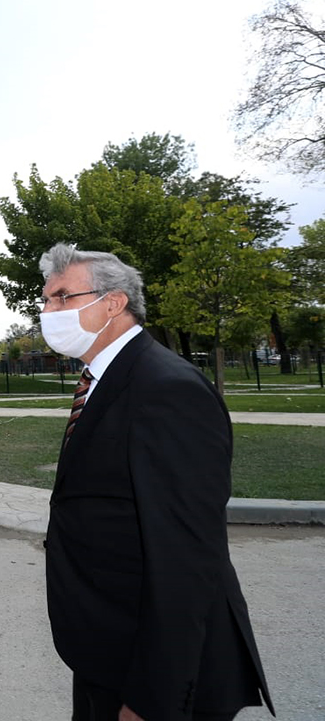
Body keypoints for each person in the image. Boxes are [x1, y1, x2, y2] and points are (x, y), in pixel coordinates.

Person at [38, 243, 274, 721]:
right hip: (107, 646)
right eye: (45, 300)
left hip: (150, 670)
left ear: (113, 302)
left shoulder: (166, 388)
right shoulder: (106, 377)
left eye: (62, 297)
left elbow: (186, 559)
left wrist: (153, 697)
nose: (48, 311)